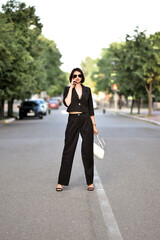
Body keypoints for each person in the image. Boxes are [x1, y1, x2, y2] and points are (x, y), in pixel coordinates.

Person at [56, 68, 98, 192]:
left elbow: (90, 108)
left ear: (82, 77)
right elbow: (67, 103)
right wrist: (70, 88)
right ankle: (61, 182)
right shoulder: (67, 90)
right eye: (75, 76)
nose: (77, 77)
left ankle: (90, 182)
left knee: (87, 151)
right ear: (72, 77)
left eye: (79, 75)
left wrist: (94, 125)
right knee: (68, 150)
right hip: (73, 120)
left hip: (86, 121)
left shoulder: (87, 90)